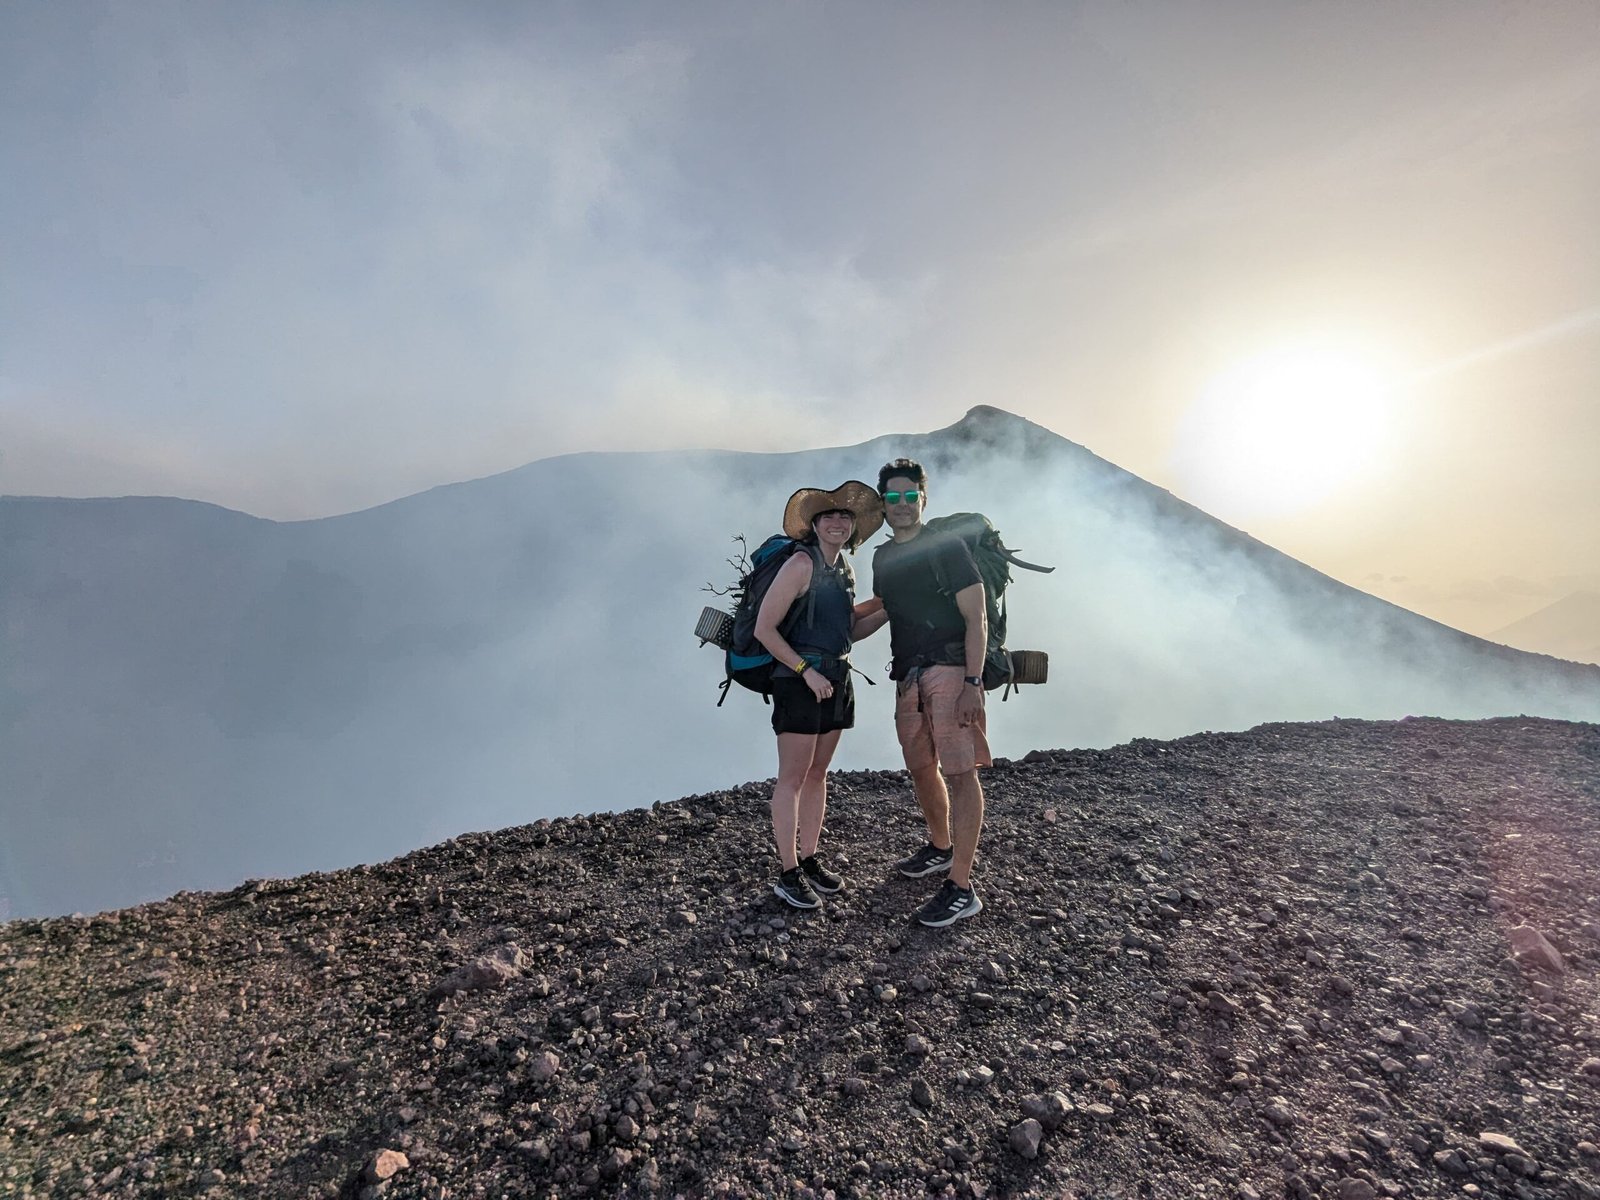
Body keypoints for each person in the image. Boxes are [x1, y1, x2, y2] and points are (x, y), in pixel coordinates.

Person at [869, 458, 991, 927]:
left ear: (923, 498)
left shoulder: (947, 546)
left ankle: (962, 887)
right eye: (892, 498)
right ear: (882, 504)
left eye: (909, 496)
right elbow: (885, 611)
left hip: (951, 671)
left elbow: (975, 618)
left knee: (961, 773)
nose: (901, 505)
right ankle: (941, 848)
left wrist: (973, 683)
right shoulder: (883, 558)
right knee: (921, 767)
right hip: (908, 677)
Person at [755, 481, 887, 909]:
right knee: (792, 777)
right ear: (813, 525)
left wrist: (891, 610)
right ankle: (788, 872)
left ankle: (809, 859)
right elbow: (764, 629)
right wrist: (804, 671)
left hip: (836, 676)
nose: (836, 521)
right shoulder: (800, 564)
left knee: (818, 774)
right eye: (827, 516)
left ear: (853, 527)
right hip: (799, 681)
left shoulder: (843, 569)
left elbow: (848, 630)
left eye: (844, 516)